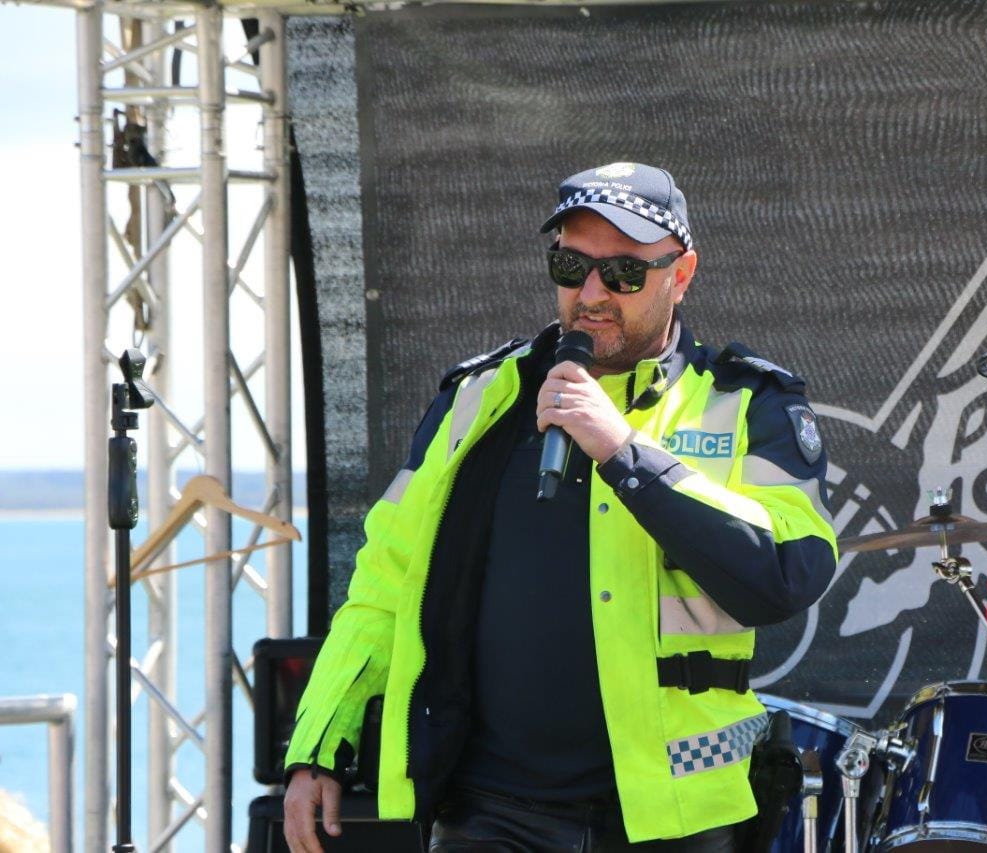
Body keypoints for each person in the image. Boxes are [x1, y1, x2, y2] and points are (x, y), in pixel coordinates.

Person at [281, 162, 838, 851]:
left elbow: (788, 571)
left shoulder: (747, 401)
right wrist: (318, 744)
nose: (593, 292)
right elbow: (384, 583)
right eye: (572, 264)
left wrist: (625, 453)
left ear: (682, 272)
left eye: (624, 274)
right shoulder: (478, 398)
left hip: (675, 812)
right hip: (491, 811)